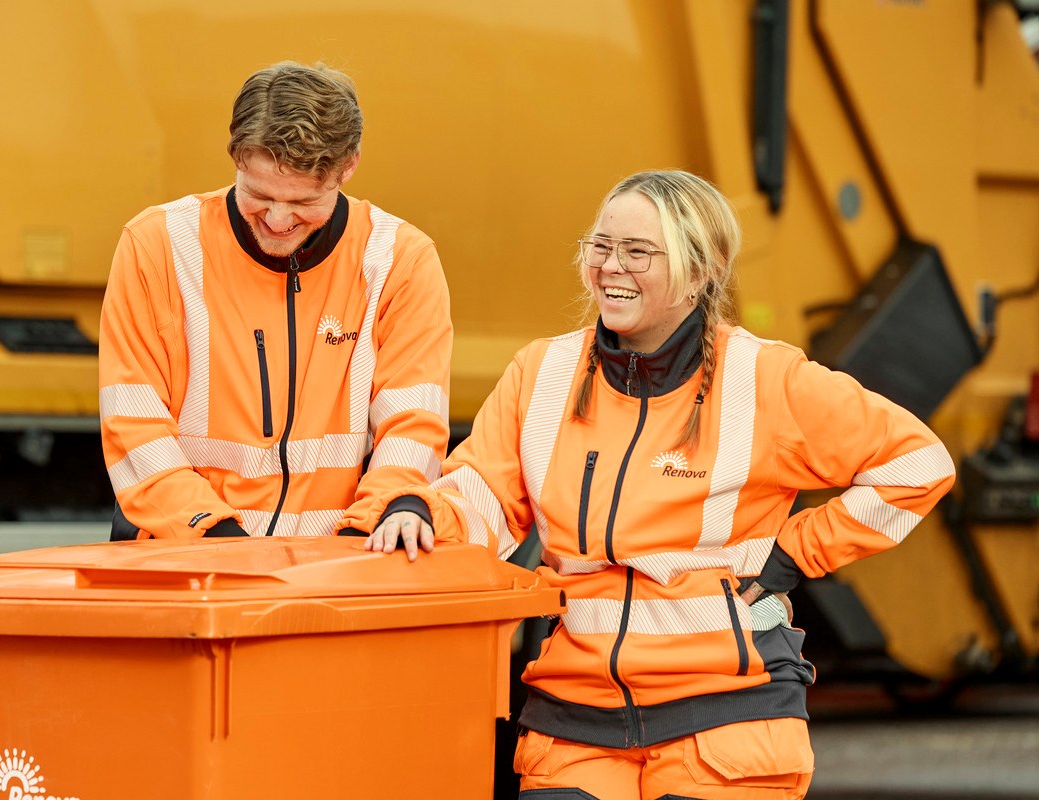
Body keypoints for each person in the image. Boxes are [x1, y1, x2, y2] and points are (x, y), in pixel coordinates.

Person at [364, 170, 954, 798]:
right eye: (600, 246)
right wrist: (419, 510)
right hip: (574, 721)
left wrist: (796, 553)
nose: (611, 267)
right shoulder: (541, 373)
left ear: (701, 273)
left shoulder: (764, 378)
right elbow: (482, 495)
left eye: (638, 252)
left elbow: (918, 465)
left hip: (728, 715)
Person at [98, 61, 453, 540]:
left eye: (305, 202)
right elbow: (134, 425)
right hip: (183, 559)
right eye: (259, 195)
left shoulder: (400, 260)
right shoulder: (157, 245)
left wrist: (373, 527)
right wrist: (216, 538)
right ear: (236, 157)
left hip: (336, 568)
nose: (279, 220)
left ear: (349, 167)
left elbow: (413, 424)